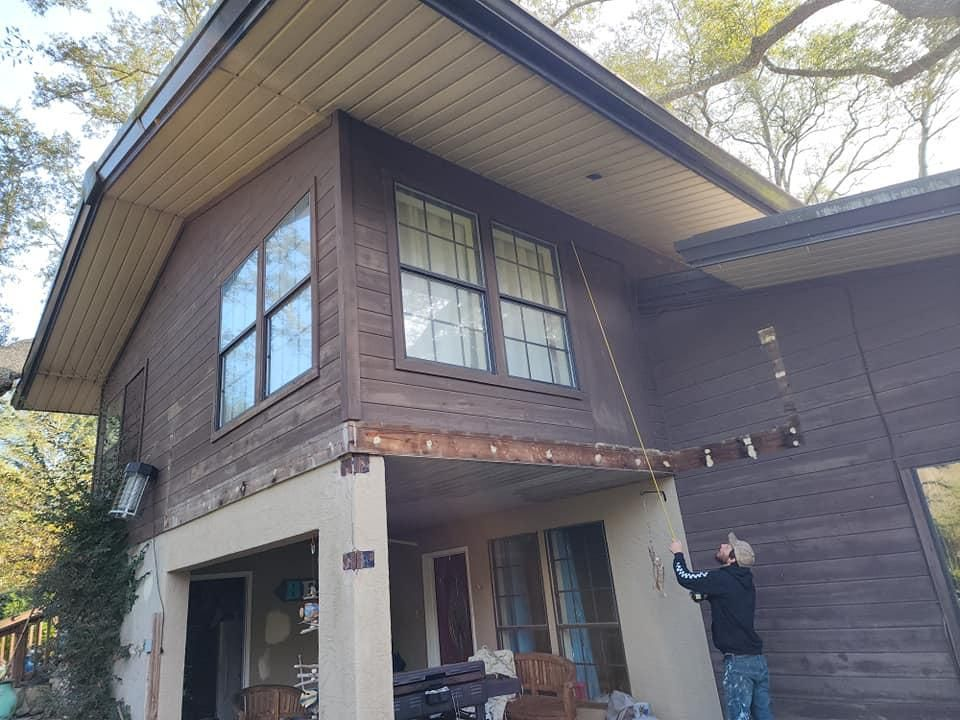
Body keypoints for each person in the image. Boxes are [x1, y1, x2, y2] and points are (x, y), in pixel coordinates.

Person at [670, 532, 773, 720]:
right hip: (758, 661)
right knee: (764, 716)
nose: (723, 545)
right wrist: (706, 595)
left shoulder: (722, 578)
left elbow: (685, 577)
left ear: (732, 559)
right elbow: (728, 599)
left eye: (728, 546)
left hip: (739, 664)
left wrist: (678, 554)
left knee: (739, 717)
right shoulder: (746, 582)